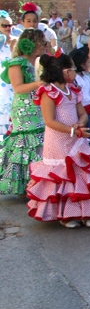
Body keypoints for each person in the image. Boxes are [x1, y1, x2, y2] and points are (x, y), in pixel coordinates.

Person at [25, 54, 90, 227]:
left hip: (75, 138)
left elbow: (82, 113)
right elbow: (50, 121)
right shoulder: (48, 92)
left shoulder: (73, 90)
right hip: (58, 141)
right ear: (65, 72)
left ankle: (86, 212)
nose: (76, 72)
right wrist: (72, 130)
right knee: (63, 176)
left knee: (81, 173)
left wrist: (80, 124)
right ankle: (66, 215)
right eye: (74, 69)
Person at [0, 29, 48, 196]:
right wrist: (39, 84)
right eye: (42, 42)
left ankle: (39, 183)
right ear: (33, 43)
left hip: (40, 106)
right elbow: (18, 88)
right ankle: (25, 185)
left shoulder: (41, 62)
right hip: (24, 109)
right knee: (26, 143)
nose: (45, 45)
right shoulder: (17, 63)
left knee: (40, 142)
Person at [69, 48, 90, 149]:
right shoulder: (73, 80)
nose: (89, 63)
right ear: (81, 64)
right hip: (79, 113)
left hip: (89, 112)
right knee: (80, 140)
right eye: (87, 62)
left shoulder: (86, 78)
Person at [0, 11, 14, 135]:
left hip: (14, 86)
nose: (8, 28)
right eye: (4, 25)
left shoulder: (17, 42)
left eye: (10, 25)